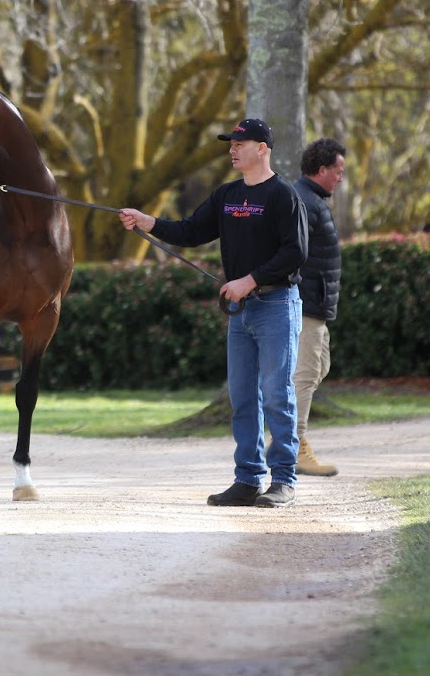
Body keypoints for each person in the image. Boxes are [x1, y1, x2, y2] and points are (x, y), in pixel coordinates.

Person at [119, 118, 308, 508]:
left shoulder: (283, 196)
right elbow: (189, 231)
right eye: (230, 143)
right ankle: (248, 479)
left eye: (240, 143)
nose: (232, 149)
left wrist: (248, 280)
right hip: (241, 312)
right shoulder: (227, 195)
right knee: (242, 398)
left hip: (276, 306)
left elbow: (295, 252)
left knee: (276, 396)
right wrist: (147, 221)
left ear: (263, 148)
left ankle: (284, 480)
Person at [292, 138, 347, 477]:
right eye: (338, 172)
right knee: (305, 373)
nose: (340, 178)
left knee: (317, 368)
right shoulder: (304, 201)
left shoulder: (312, 200)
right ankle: (295, 446)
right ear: (322, 169)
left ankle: (287, 440)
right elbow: (291, 252)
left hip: (316, 305)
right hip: (305, 304)